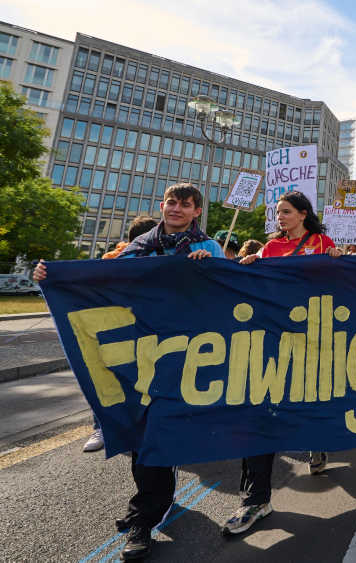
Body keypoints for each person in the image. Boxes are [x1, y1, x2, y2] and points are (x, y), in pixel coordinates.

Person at [34, 183, 225, 560]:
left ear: (196, 212)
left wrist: (213, 270)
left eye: (186, 205)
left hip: (185, 355)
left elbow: (228, 292)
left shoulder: (210, 249)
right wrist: (50, 277)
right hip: (138, 355)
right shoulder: (133, 250)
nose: (176, 209)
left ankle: (144, 516)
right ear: (162, 205)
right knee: (141, 433)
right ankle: (149, 510)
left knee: (160, 432)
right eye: (172, 202)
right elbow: (97, 285)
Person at [229, 191, 343, 535]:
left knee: (309, 401)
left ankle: (317, 440)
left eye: (286, 212)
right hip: (273, 339)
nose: (280, 217)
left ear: (303, 214)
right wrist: (248, 267)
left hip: (313, 337)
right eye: (278, 212)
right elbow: (258, 284)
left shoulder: (323, 242)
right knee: (261, 408)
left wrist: (338, 261)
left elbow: (339, 284)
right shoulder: (270, 248)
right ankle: (255, 499)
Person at [81, 215, 159, 454]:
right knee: (110, 376)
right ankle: (104, 426)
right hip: (118, 329)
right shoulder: (113, 260)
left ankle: (136, 426)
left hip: (148, 331)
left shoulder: (162, 259)